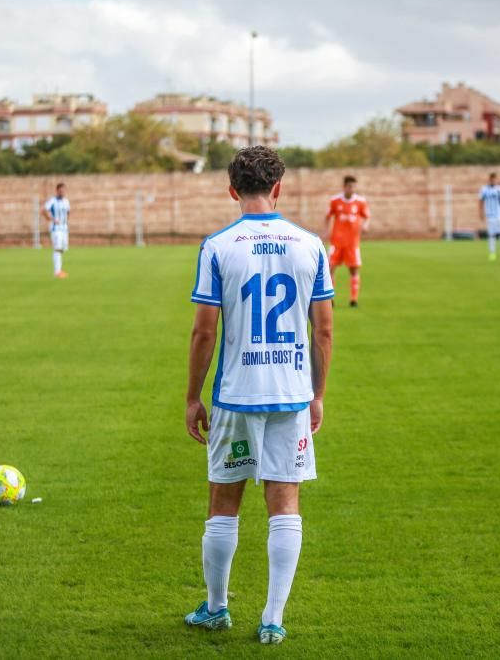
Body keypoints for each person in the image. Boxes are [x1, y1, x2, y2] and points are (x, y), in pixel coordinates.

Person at [184, 146, 334, 645]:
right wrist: (317, 393)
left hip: (235, 395)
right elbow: (325, 330)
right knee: (283, 501)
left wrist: (192, 396)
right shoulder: (311, 244)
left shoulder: (217, 245)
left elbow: (204, 332)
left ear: (232, 190)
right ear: (279, 188)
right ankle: (272, 617)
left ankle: (216, 607)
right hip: (291, 394)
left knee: (224, 500)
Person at [325, 175, 369, 306]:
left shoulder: (360, 201)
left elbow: (366, 216)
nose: (352, 189)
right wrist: (327, 231)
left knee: (354, 269)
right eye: (349, 186)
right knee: (330, 268)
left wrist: (366, 225)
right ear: (344, 187)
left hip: (352, 242)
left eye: (354, 186)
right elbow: (327, 216)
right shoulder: (335, 201)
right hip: (336, 241)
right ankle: (330, 298)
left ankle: (353, 299)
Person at [478, 172, 500, 261]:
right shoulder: (484, 189)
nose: (493, 180)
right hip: (490, 215)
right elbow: (481, 202)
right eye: (491, 179)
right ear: (489, 179)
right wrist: (481, 213)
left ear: (496, 180)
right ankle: (492, 253)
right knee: (491, 235)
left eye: (494, 179)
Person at [41, 183, 70, 278]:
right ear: (57, 190)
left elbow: (68, 212)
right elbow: (43, 210)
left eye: (63, 190)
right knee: (57, 249)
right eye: (60, 190)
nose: (62, 192)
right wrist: (52, 219)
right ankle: (57, 272)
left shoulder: (66, 201)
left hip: (64, 229)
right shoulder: (52, 201)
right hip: (56, 229)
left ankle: (59, 270)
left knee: (62, 249)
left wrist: (66, 223)